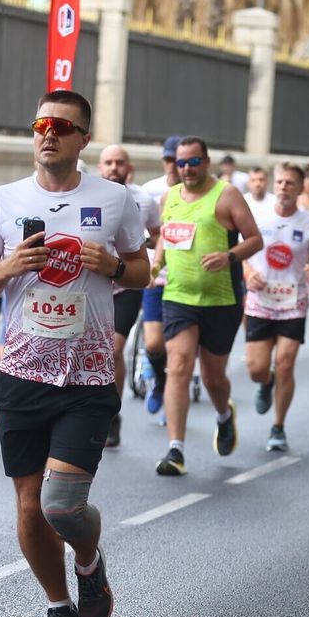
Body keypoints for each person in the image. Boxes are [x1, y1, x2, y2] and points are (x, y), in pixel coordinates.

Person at [0, 90, 150, 617]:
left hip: (87, 374)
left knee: (60, 505)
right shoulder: (2, 200)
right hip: (21, 371)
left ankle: (89, 563)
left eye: (62, 127)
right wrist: (7, 267)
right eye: (41, 124)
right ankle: (57, 607)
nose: (49, 134)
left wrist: (114, 265)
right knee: (27, 506)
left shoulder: (116, 199)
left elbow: (142, 271)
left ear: (83, 139)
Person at [153, 135, 262, 476]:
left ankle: (224, 415)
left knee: (214, 378)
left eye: (193, 161)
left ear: (206, 162)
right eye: (180, 162)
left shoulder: (226, 194)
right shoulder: (168, 197)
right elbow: (163, 238)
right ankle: (175, 449)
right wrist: (154, 268)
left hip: (221, 298)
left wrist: (229, 256)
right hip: (178, 296)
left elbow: (256, 239)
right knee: (179, 364)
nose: (186, 168)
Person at [243, 161, 309, 451]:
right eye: (279, 182)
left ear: (299, 187)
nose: (283, 188)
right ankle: (265, 383)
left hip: (293, 303)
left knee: (285, 364)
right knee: (256, 368)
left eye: (289, 183)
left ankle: (278, 427)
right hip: (260, 301)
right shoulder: (257, 216)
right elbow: (242, 253)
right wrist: (247, 272)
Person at [97, 144, 160, 448]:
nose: (113, 168)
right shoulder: (89, 195)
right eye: (108, 162)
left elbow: (159, 235)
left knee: (112, 351)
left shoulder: (144, 199)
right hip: (94, 287)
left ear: (129, 168)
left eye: (119, 163)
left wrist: (153, 263)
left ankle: (111, 415)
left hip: (126, 287)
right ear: (100, 168)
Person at [138, 138, 182, 414]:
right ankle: (160, 379)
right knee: (153, 342)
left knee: (178, 349)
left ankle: (175, 394)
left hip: (187, 279)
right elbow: (143, 231)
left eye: (179, 160)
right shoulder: (149, 191)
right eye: (169, 160)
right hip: (156, 273)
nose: (173, 166)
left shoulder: (204, 194)